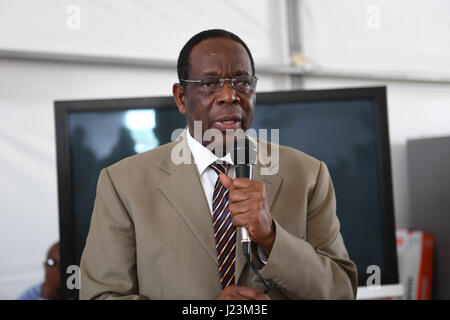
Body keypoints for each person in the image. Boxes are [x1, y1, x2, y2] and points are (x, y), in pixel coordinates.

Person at [80, 29, 357, 300]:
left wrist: (272, 238)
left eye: (242, 82)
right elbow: (101, 295)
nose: (230, 95)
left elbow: (341, 291)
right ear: (181, 97)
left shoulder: (308, 174)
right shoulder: (123, 183)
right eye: (210, 84)